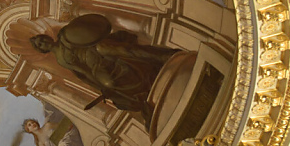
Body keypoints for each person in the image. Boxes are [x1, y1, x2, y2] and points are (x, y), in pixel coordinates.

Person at [29, 14, 179, 126]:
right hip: (96, 67)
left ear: (47, 37)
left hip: (96, 49)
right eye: (40, 45)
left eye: (41, 39)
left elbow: (87, 33)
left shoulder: (64, 35)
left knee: (121, 50)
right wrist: (100, 85)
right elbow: (81, 72)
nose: (42, 43)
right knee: (109, 83)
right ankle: (143, 102)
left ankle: (163, 56)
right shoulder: (60, 60)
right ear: (42, 51)